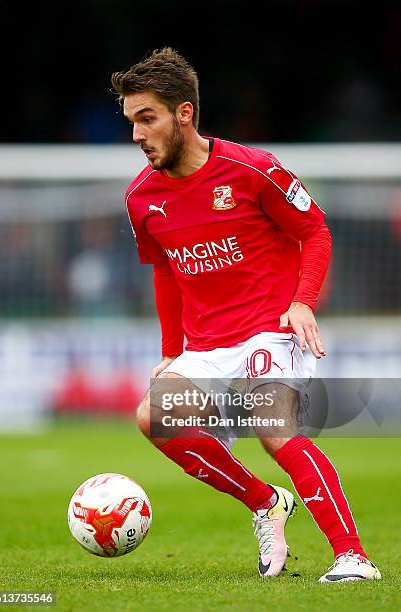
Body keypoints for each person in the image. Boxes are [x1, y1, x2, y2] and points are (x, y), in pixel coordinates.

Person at [111, 48, 381, 583]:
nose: (138, 135)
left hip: (270, 331)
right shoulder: (142, 198)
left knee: (271, 423)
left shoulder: (253, 169)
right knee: (153, 418)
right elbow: (165, 271)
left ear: (183, 113)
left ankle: (353, 556)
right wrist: (171, 351)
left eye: (148, 118)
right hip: (205, 347)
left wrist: (303, 300)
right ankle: (265, 503)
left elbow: (315, 231)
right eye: (131, 122)